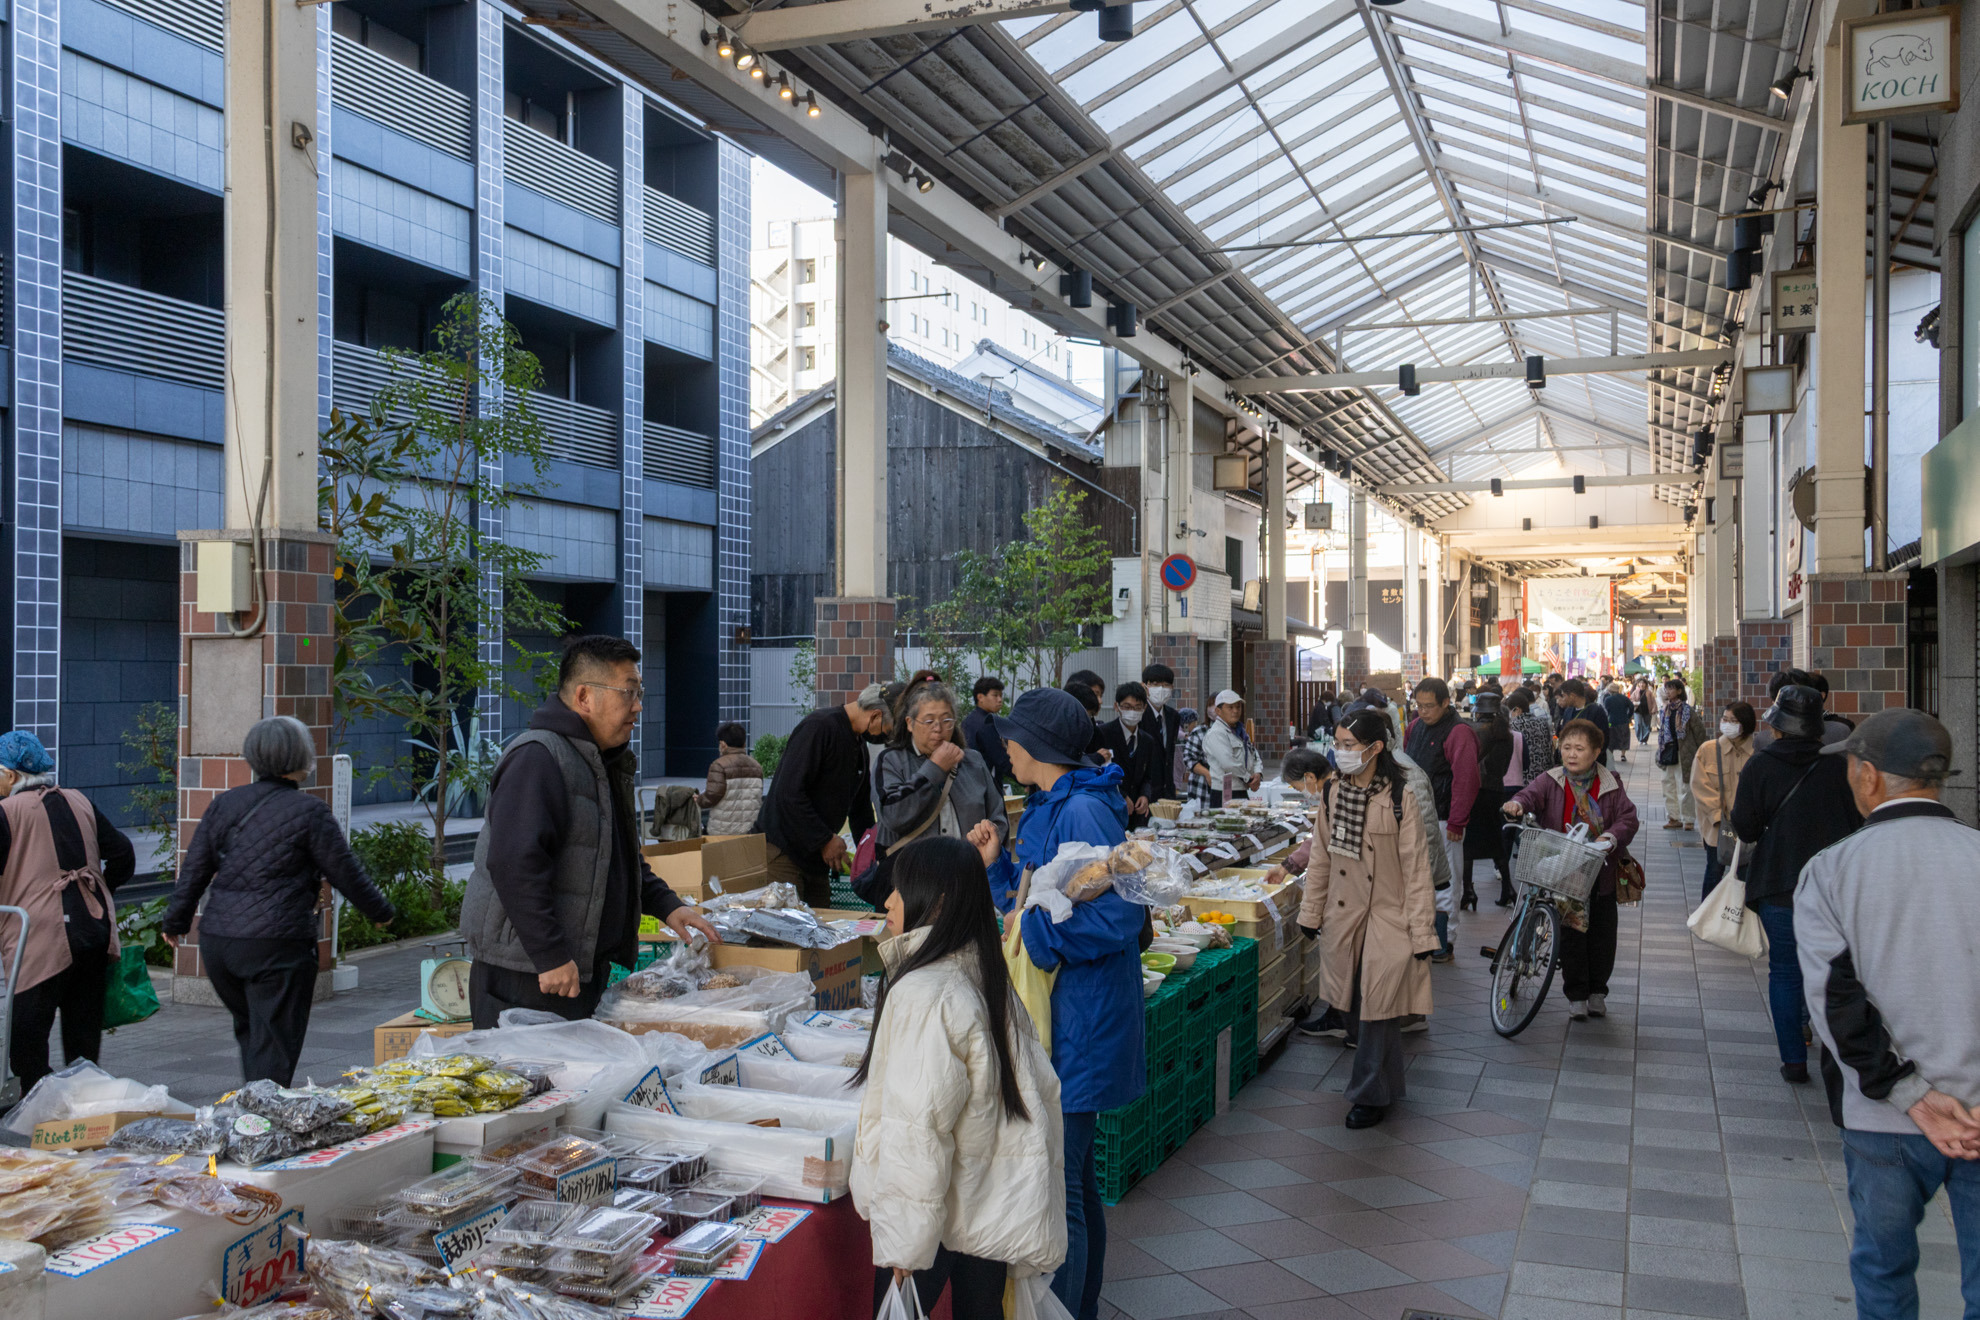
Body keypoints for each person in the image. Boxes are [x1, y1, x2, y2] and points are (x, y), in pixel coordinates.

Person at [1794, 709, 1980, 1320]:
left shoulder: (1832, 870)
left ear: (1869, 776)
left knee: (1883, 1268)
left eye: (1851, 764)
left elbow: (1833, 1003)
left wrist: (1913, 1096)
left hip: (1882, 1118)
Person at [974, 687, 1140, 1320]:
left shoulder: (1084, 815)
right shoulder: (1049, 805)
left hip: (1082, 1019)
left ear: (1036, 746)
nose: (1005, 747)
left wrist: (1039, 939)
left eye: (1011, 738)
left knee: (1062, 1189)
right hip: (1063, 1013)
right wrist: (995, 868)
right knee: (1076, 1182)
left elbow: (1121, 920)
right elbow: (1032, 897)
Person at [851, 836, 1065, 1320]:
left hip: (939, 1213)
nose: (887, 901)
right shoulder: (981, 972)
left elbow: (917, 1129)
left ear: (938, 902)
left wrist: (903, 1247)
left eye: (900, 891)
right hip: (987, 1208)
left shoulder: (926, 991)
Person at [461, 637, 722, 1029]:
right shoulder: (539, 758)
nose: (637, 707)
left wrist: (669, 906)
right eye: (628, 693)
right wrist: (549, 954)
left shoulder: (598, 762)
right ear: (584, 697)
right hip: (532, 976)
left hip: (575, 971)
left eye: (639, 693)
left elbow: (616, 860)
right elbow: (514, 864)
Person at [166, 717, 391, 1084]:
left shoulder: (225, 804)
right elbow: (345, 872)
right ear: (301, 758)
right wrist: (381, 913)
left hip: (220, 945)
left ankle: (251, 1121)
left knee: (253, 1035)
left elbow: (194, 869)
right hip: (276, 945)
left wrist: (175, 922)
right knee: (273, 1047)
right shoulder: (309, 812)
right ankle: (261, 1129)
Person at [1298, 708, 1438, 1128]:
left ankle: (1368, 1096)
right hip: (1344, 916)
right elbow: (1321, 856)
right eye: (1337, 744)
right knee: (1357, 1012)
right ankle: (1387, 1084)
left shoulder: (1400, 797)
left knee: (1377, 1009)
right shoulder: (1332, 793)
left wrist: (1422, 933)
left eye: (1348, 746)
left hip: (1388, 915)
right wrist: (1310, 911)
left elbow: (1416, 869)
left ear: (1375, 748)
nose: (1339, 753)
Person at [1730, 684, 1863, 1084]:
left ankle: (1793, 1061)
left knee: (1785, 971)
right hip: (1835, 886)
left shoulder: (1760, 764)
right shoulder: (1843, 766)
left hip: (1779, 883)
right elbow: (1861, 822)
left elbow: (1745, 826)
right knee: (1836, 970)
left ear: (1778, 727)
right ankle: (1839, 1054)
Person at [0, 732, 136, 1092]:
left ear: (11, 776)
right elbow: (123, 853)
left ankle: (39, 1112)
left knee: (27, 1040)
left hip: (38, 938)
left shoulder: (7, 812)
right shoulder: (80, 801)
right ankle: (85, 1109)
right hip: (93, 930)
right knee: (83, 1036)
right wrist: (101, 888)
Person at [1503, 719, 1640, 1021]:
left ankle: (1597, 992)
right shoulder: (1550, 780)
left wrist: (1610, 837)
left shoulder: (1610, 783)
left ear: (1596, 752)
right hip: (1564, 870)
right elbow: (1528, 796)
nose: (1571, 754)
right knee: (1572, 934)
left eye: (1580, 748)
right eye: (1566, 747)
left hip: (1601, 869)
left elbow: (1628, 819)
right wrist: (1516, 804)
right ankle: (1577, 994)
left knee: (1603, 935)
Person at [874, 679, 1008, 900]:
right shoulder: (891, 761)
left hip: (968, 880)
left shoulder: (972, 760)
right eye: (928, 721)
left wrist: (986, 840)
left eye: (946, 720)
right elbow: (893, 815)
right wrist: (935, 769)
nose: (938, 729)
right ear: (909, 723)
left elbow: (998, 814)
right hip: (913, 886)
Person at [761, 682, 891, 907]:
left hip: (817, 860)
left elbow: (860, 810)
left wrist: (871, 853)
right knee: (783, 929)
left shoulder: (859, 746)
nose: (887, 736)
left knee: (820, 932)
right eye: (888, 729)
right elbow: (789, 794)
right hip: (784, 851)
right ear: (876, 715)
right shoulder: (820, 727)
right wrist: (825, 839)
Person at [1403, 678, 1477, 962]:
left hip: (1446, 819)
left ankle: (1444, 943)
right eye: (1418, 705)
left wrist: (1458, 821)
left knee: (1446, 883)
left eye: (1429, 706)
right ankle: (1421, 937)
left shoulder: (1459, 732)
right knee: (1416, 881)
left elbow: (1466, 779)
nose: (1423, 711)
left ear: (1446, 703)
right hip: (1414, 817)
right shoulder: (1414, 727)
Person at [1687, 701, 1756, 902]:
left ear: (1746, 724)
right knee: (1714, 872)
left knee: (1745, 875)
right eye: (1724, 719)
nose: (1727, 724)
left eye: (1733, 721)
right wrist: (1717, 816)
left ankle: (1740, 916)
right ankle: (1707, 915)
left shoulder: (1757, 752)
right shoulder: (1708, 749)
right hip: (1717, 827)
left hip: (1749, 830)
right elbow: (1700, 786)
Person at [1465, 692, 1517, 910]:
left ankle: (1468, 890)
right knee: (1496, 841)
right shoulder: (1507, 734)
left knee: (1467, 842)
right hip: (1496, 790)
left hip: (1473, 791)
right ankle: (1507, 887)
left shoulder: (1473, 731)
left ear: (1478, 712)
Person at [1094, 682, 1161, 827]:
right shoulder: (1103, 734)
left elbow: (1148, 776)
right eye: (1127, 707)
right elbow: (1098, 772)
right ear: (1116, 706)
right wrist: (1122, 795)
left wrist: (1145, 795)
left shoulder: (1147, 740)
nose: (1132, 711)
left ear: (1144, 708)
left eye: (1137, 708)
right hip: (1109, 811)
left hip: (1137, 815)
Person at [1655, 678, 1707, 830]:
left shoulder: (1687, 710)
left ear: (1679, 691)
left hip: (1684, 753)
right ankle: (1673, 817)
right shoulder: (1665, 710)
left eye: (1671, 689)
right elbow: (1662, 733)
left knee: (1685, 786)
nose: (1668, 692)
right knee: (1668, 785)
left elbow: (1699, 732)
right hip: (1667, 752)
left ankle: (1688, 819)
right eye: (1667, 689)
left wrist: (1702, 751)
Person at [696, 722, 764, 836]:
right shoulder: (756, 766)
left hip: (724, 830)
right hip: (751, 829)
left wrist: (699, 799)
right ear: (744, 743)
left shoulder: (719, 765)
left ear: (722, 744)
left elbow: (712, 796)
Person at [1197, 689, 1263, 805]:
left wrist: (1258, 773)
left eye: (1238, 707)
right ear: (1218, 711)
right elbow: (1228, 763)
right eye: (1230, 708)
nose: (1235, 711)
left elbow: (1254, 754)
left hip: (1242, 789)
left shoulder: (1240, 731)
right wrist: (1249, 778)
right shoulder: (1216, 733)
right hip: (1225, 791)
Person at [1139, 665, 1183, 801]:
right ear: (1144, 686)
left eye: (1166, 685)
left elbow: (1169, 754)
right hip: (1144, 792)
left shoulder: (1173, 716)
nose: (1161, 689)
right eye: (1155, 684)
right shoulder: (1138, 715)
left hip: (1167, 790)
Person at [961, 676, 1013, 787]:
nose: (999, 699)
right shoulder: (986, 724)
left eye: (1001, 695)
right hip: (988, 786)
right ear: (980, 697)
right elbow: (1000, 759)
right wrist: (1025, 780)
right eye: (995, 695)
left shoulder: (967, 721)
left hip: (968, 784)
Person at [1506, 687, 1557, 793]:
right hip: (1545, 775)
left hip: (1525, 778)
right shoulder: (1542, 722)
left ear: (1517, 710)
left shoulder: (1513, 726)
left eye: (1509, 711)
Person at [1553, 678, 1611, 765]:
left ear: (1572, 696)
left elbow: (1603, 739)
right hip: (1570, 761)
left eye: (1564, 696)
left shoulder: (1596, 711)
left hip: (1590, 763)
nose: (1563, 699)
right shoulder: (1568, 711)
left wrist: (1592, 759)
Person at [1599, 682, 1635, 764]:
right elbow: (1631, 707)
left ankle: (1611, 755)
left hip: (1611, 721)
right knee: (1624, 738)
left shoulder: (1608, 699)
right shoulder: (1624, 698)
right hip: (1624, 721)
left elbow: (1606, 711)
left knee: (1611, 739)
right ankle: (1623, 755)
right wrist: (1628, 716)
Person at [1632, 677, 1655, 750]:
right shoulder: (1635, 692)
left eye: (1643, 683)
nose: (1642, 684)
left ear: (1646, 684)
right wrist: (1635, 703)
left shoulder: (1649, 692)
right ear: (1638, 684)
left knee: (1646, 725)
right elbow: (1631, 700)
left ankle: (1644, 739)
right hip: (1638, 710)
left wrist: (1654, 708)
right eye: (1640, 683)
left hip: (1647, 710)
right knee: (1638, 724)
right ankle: (1640, 738)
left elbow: (1653, 701)